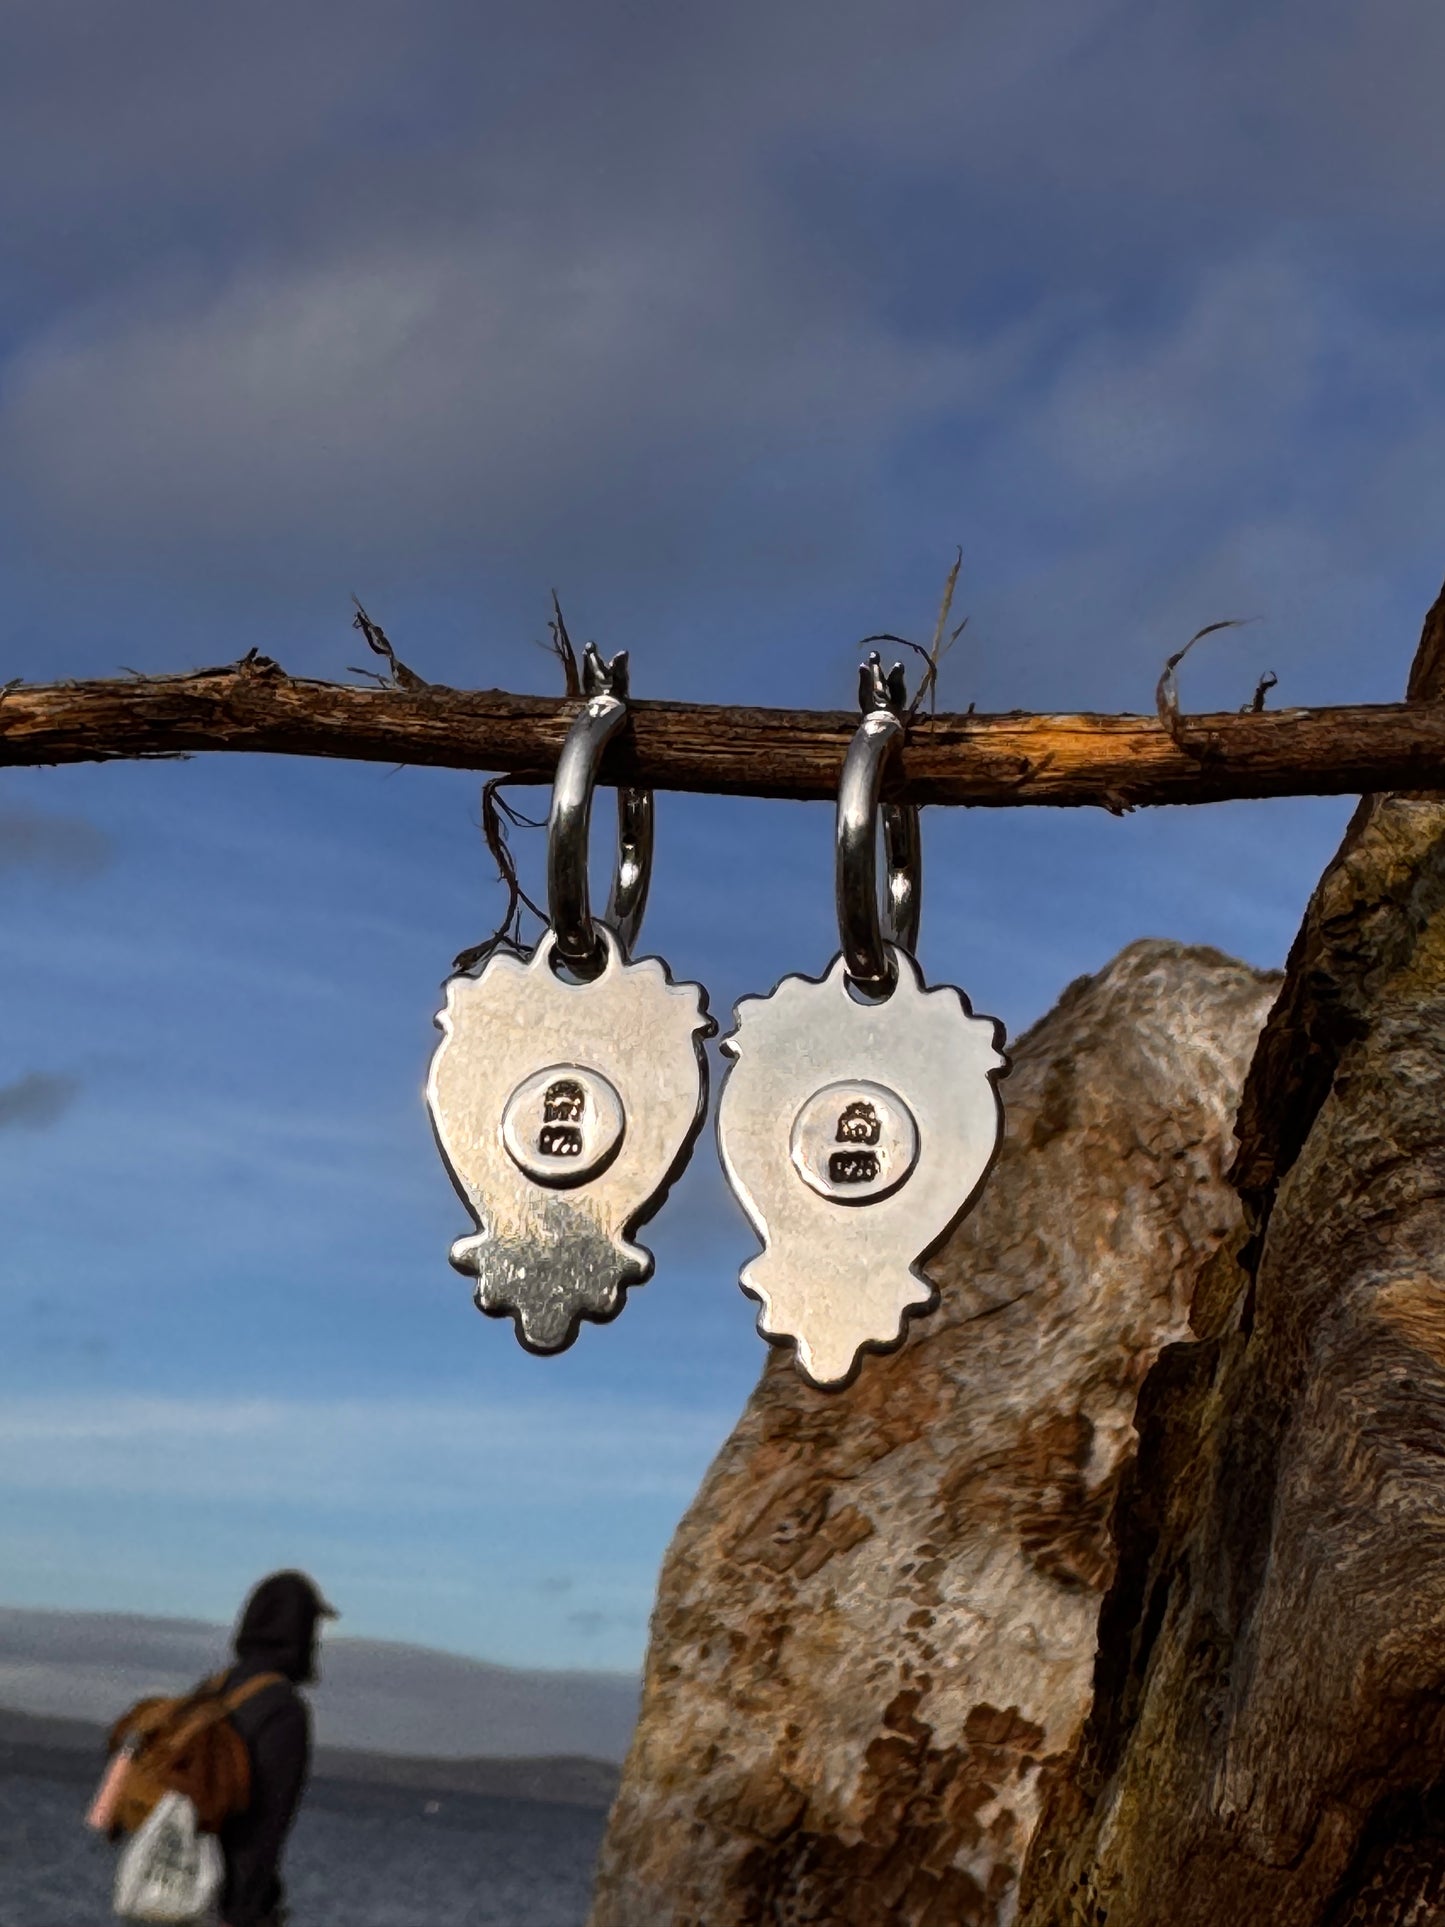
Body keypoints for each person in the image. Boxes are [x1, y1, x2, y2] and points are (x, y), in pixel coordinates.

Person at [217, 1570, 337, 1927]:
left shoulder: (212, 1691)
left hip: (170, 1897)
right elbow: (265, 1829)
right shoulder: (282, 1710)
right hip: (225, 1908)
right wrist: (245, 1915)